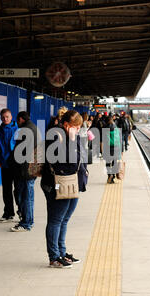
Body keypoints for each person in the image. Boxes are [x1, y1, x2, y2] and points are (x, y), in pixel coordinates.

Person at [41, 110, 88, 268]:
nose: (78, 129)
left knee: (64, 219)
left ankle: (61, 252)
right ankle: (54, 256)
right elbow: (66, 162)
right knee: (55, 220)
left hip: (71, 183)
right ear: (67, 125)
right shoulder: (55, 136)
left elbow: (81, 158)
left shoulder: (70, 137)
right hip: (57, 184)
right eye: (76, 126)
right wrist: (73, 141)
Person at [9, 111, 39, 232]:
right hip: (32, 168)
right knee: (27, 196)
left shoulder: (25, 130)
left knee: (26, 197)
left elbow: (19, 151)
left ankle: (27, 223)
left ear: (21, 119)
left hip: (25, 169)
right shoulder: (34, 128)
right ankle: (27, 220)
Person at [0, 108, 20, 223]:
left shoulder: (17, 129)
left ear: (11, 117)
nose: (5, 119)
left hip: (16, 164)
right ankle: (8, 213)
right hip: (5, 165)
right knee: (7, 191)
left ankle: (22, 213)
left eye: (7, 117)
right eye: (3, 117)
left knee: (18, 190)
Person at [104, 115, 121, 184]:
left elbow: (104, 139)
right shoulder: (116, 127)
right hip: (116, 147)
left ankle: (109, 175)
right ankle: (113, 176)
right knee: (114, 162)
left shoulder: (105, 128)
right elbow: (119, 138)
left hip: (107, 147)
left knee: (108, 162)